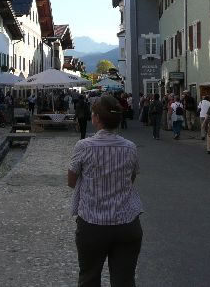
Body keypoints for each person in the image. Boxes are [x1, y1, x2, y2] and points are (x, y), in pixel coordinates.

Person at [68, 95, 143, 287]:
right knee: (124, 280)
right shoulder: (130, 147)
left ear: (96, 119)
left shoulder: (84, 146)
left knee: (89, 278)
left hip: (92, 223)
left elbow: (71, 180)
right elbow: (131, 179)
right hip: (127, 223)